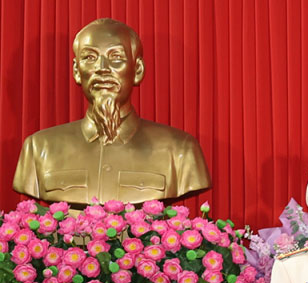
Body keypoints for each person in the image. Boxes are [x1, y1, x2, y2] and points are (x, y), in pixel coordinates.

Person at [12, 18, 210, 205]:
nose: (102, 68)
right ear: (76, 71)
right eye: (90, 57)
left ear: (138, 70)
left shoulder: (179, 150)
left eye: (116, 57)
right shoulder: (38, 148)